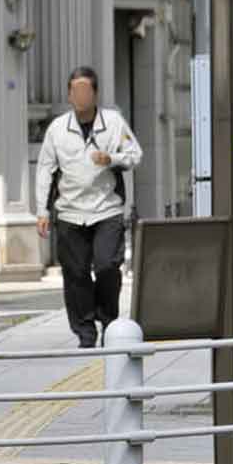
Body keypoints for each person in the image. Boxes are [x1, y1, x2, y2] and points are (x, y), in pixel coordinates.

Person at [34, 66, 143, 347]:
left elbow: (135, 154)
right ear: (70, 95)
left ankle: (109, 322)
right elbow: (45, 169)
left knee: (108, 266)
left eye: (86, 90)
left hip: (107, 209)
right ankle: (85, 331)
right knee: (76, 273)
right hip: (70, 211)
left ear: (95, 94)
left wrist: (113, 159)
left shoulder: (114, 122)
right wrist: (42, 211)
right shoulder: (58, 129)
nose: (80, 95)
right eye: (75, 91)